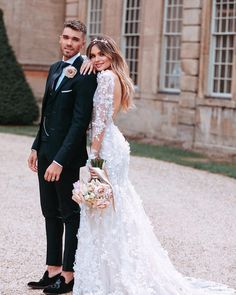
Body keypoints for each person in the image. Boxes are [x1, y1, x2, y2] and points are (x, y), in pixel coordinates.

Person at [72, 35, 235, 295]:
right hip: (117, 144)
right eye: (92, 56)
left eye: (101, 54)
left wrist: (94, 156)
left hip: (105, 148)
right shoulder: (118, 78)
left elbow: (100, 121)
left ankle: (111, 278)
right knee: (117, 204)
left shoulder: (105, 79)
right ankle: (117, 269)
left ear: (112, 55)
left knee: (103, 204)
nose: (96, 60)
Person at [27, 20, 97, 295]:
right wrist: (35, 147)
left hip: (64, 158)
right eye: (66, 37)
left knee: (69, 214)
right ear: (60, 38)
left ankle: (68, 275)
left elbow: (80, 123)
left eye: (75, 40)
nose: (69, 43)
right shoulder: (55, 68)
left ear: (82, 43)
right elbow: (46, 113)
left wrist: (59, 161)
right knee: (49, 212)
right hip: (44, 152)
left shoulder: (85, 72)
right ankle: (52, 269)